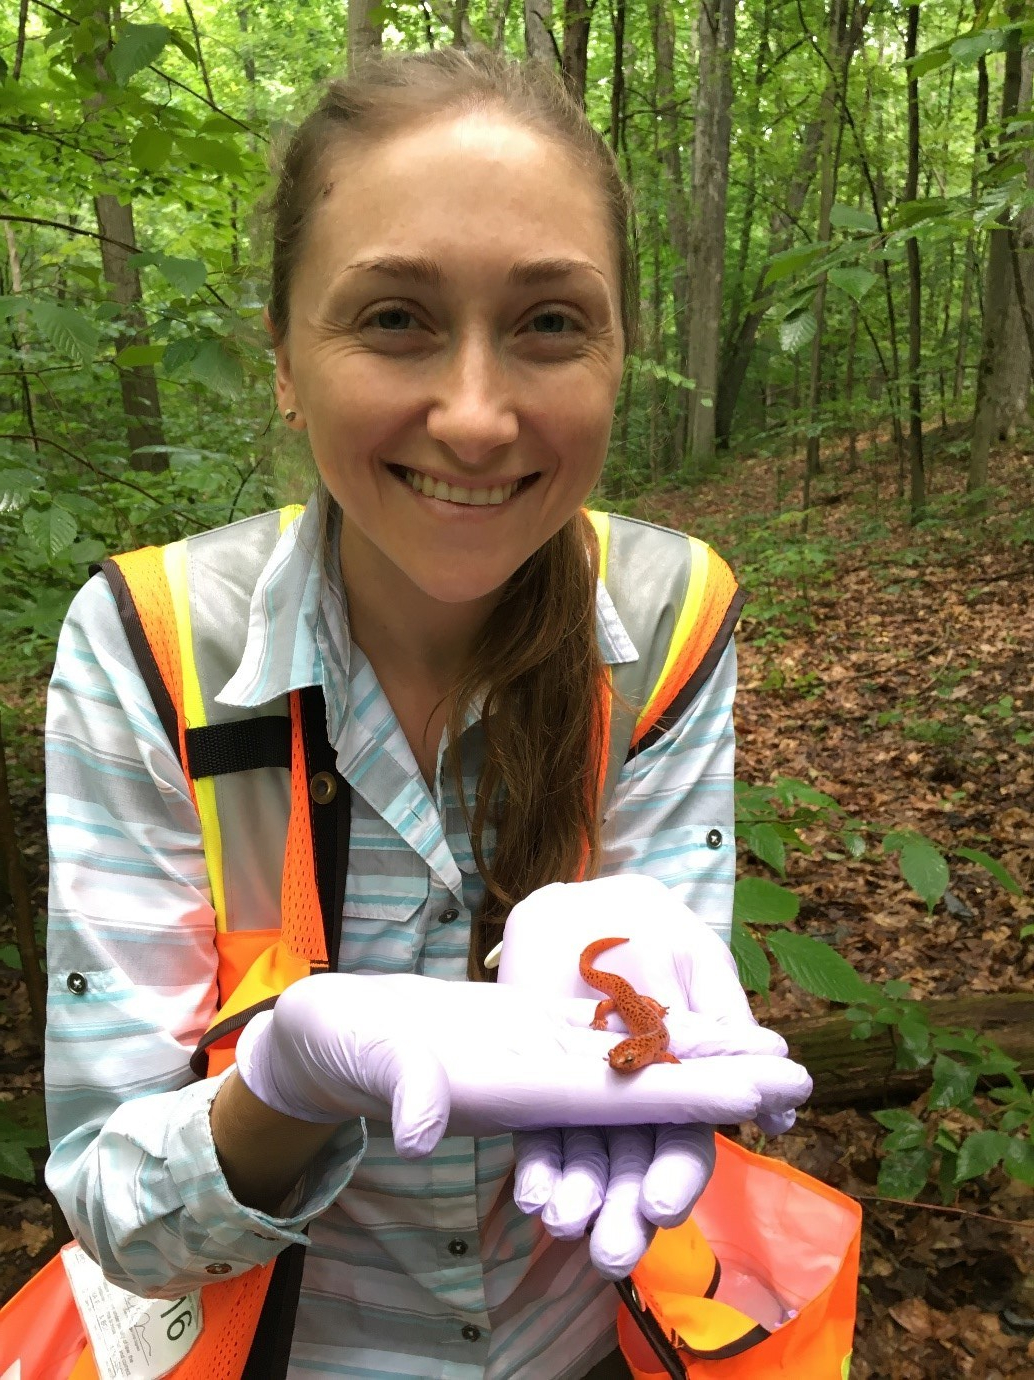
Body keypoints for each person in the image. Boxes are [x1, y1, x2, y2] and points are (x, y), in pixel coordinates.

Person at [43, 47, 810, 1380]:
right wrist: (288, 1081)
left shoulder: (674, 614)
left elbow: (657, 1045)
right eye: (394, 317)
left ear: (620, 350)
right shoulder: (151, 645)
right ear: (282, 355)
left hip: (588, 1339)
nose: (472, 415)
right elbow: (114, 1208)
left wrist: (639, 984)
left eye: (549, 322)